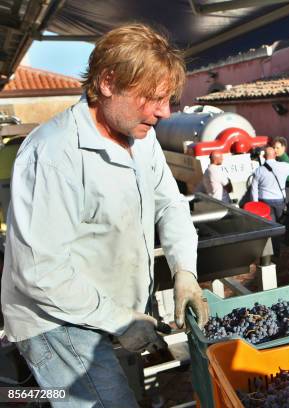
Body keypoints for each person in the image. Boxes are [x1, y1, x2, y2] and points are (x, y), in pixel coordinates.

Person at [0, 24, 208, 406]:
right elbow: (40, 272)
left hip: (107, 310)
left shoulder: (140, 139)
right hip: (55, 323)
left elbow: (171, 203)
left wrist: (184, 272)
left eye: (168, 99)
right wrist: (119, 320)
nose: (164, 112)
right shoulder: (54, 154)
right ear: (108, 82)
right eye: (152, 98)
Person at [252, 146, 289, 223]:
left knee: (271, 224)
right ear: (275, 155)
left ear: (264, 156)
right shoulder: (284, 166)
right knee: (283, 222)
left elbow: (254, 189)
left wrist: (255, 204)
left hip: (264, 200)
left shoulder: (258, 170)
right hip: (279, 200)